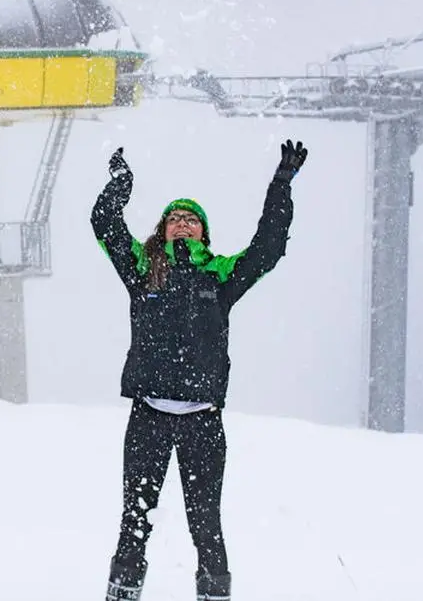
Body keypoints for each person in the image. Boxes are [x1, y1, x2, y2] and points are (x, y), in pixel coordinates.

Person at [90, 140, 309, 601]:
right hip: (148, 418)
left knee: (206, 523)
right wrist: (121, 185)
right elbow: (104, 224)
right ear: (163, 231)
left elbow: (268, 249)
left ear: (203, 235)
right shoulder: (142, 269)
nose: (183, 224)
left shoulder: (220, 275)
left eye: (192, 220)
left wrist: (281, 186)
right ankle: (121, 593)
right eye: (174, 218)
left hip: (202, 423)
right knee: (134, 522)